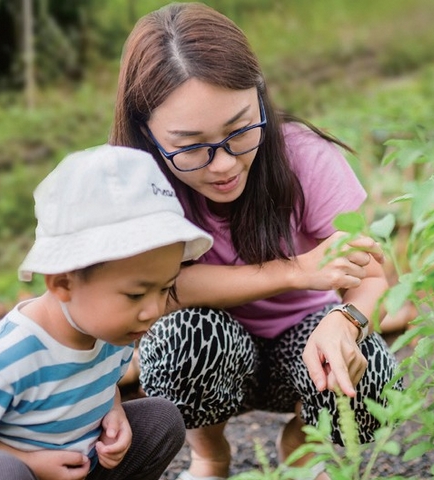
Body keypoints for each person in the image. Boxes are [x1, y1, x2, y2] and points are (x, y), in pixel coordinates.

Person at [109, 3, 403, 480]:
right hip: (215, 355)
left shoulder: (304, 156)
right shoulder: (137, 184)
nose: (222, 163)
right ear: (146, 133)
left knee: (371, 375)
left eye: (240, 129)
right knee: (181, 340)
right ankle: (210, 456)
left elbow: (372, 275)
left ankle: (302, 444)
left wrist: (345, 322)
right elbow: (160, 288)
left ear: (260, 97)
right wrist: (295, 270)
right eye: (191, 146)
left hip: (304, 344)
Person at [0, 145, 213, 480]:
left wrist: (114, 412)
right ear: (64, 283)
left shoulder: (113, 330)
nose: (152, 310)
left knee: (161, 421)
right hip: (0, 471)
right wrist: (29, 461)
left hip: (71, 465)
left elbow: (101, 384)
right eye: (135, 294)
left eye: (164, 289)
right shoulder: (12, 355)